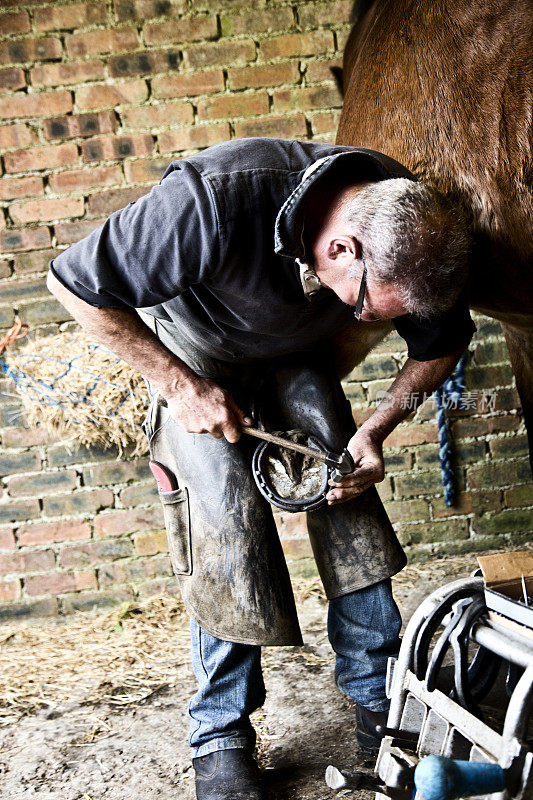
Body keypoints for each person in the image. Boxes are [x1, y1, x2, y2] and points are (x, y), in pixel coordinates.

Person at [47, 137, 474, 800]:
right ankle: (220, 733)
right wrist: (180, 386)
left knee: (348, 498)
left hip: (295, 354)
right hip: (193, 352)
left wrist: (374, 430)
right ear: (339, 250)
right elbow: (71, 283)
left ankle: (379, 701)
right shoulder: (212, 201)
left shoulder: (407, 219)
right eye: (364, 309)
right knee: (225, 526)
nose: (361, 321)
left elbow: (442, 346)